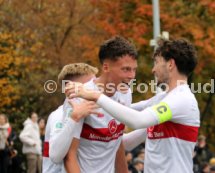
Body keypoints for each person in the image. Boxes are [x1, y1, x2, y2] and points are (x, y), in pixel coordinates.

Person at [66, 38, 200, 172]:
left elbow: (138, 120)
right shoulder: (163, 99)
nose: (153, 70)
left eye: (157, 62)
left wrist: (95, 95)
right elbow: (122, 120)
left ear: (170, 64)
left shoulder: (182, 99)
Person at [55, 36, 138, 173]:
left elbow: (117, 144)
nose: (132, 75)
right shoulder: (79, 97)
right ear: (106, 67)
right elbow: (69, 157)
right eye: (126, 69)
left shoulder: (126, 93)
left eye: (134, 69)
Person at [42, 63, 99, 173]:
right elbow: (56, 155)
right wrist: (74, 118)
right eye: (89, 84)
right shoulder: (58, 116)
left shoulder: (87, 111)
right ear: (69, 87)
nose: (95, 87)